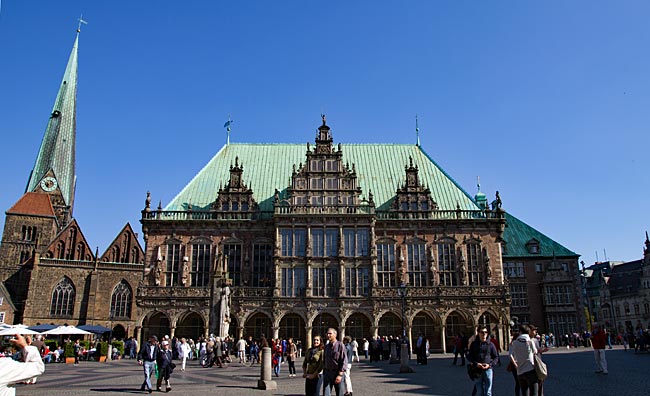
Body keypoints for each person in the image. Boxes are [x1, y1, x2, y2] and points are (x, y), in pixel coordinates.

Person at [467, 326, 499, 396]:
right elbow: (469, 356)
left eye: (485, 332)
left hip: (488, 369)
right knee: (479, 392)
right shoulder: (474, 344)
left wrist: (490, 365)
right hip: (477, 370)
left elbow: (496, 357)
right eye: (482, 332)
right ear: (478, 333)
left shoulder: (491, 344)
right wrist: (476, 364)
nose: (484, 334)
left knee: (488, 392)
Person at [509, 324, 539, 396]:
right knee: (534, 393)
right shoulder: (530, 342)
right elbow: (535, 352)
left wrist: (516, 365)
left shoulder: (514, 343)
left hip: (520, 372)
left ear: (520, 332)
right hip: (530, 370)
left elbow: (510, 355)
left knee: (524, 393)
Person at [322, 328, 347, 396]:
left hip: (337, 373)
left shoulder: (340, 345)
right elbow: (324, 360)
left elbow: (344, 361)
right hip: (327, 373)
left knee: (339, 393)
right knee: (326, 394)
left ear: (335, 335)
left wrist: (340, 375)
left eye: (330, 333)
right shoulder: (326, 347)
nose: (328, 335)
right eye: (327, 333)